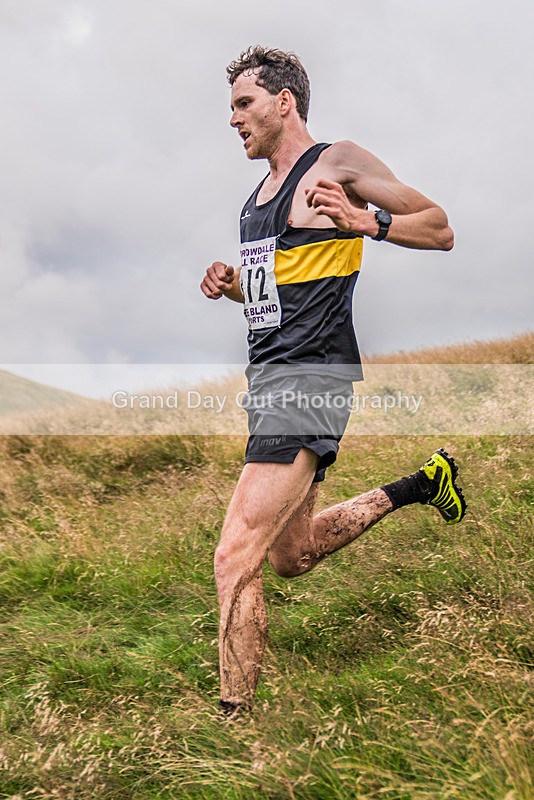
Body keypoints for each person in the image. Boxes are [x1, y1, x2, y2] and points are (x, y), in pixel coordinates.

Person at [200, 46, 466, 715]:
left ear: (283, 100)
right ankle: (422, 483)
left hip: (311, 379)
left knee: (235, 557)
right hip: (269, 384)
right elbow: (273, 299)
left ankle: (237, 732)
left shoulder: (338, 163)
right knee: (291, 555)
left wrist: (364, 221)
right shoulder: (252, 206)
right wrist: (234, 289)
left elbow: (439, 228)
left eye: (244, 103)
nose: (233, 119)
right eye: (231, 107)